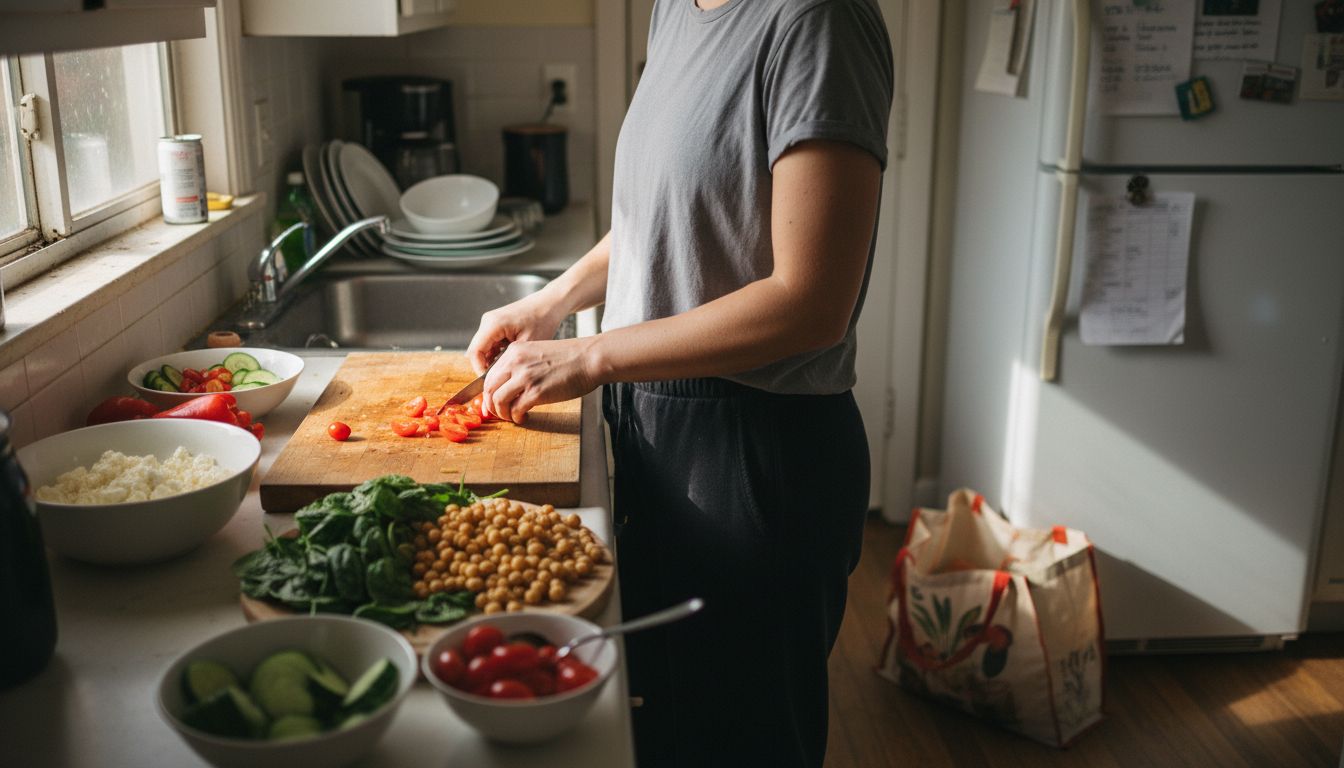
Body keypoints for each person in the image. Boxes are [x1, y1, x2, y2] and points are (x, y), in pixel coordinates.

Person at [466, 0, 892, 764]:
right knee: (662, 730)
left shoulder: (815, 22)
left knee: (746, 741)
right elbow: (661, 208)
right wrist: (554, 301)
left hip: (757, 453)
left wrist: (590, 357)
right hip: (656, 427)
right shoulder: (676, 9)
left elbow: (812, 302)